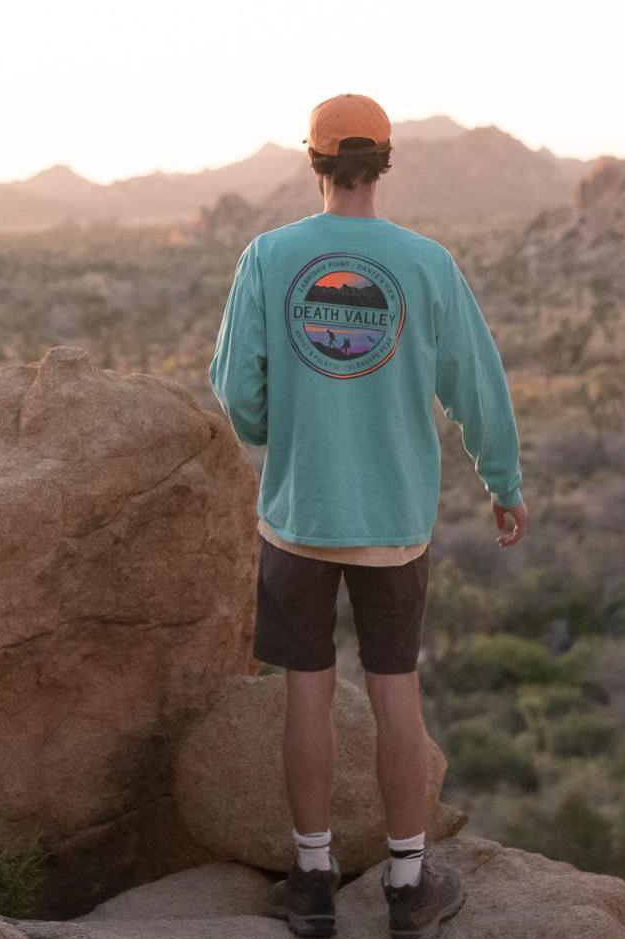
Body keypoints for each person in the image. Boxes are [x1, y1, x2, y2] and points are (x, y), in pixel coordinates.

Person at [207, 93, 526, 939]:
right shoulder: (424, 263)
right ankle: (406, 883)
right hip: (392, 519)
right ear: (381, 162)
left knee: (304, 693)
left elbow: (236, 389)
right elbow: (475, 384)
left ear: (313, 161)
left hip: (297, 516)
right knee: (394, 693)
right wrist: (503, 480)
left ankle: (311, 879)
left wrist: (284, 433)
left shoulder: (269, 257)